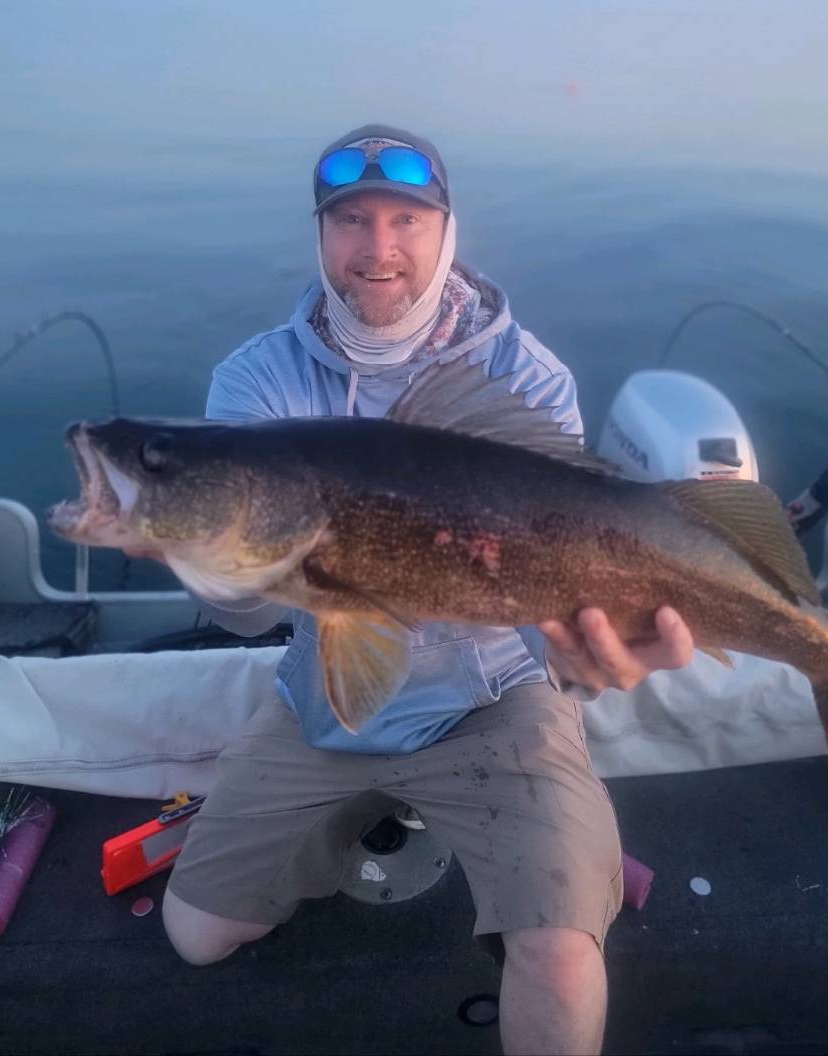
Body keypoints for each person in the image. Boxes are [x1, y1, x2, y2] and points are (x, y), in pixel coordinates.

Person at [159, 124, 694, 1056]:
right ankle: (356, 815)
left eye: (407, 218)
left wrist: (580, 659)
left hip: (495, 699)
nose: (378, 247)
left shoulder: (526, 378)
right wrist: (206, 556)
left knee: (563, 962)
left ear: (448, 230)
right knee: (195, 934)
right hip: (324, 693)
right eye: (350, 220)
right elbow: (242, 614)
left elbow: (545, 599)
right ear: (320, 233)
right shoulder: (256, 381)